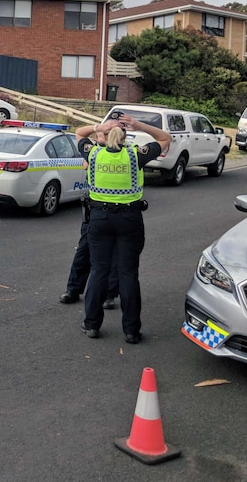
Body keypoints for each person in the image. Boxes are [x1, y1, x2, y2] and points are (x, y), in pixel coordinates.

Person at [75, 113, 170, 343]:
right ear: (125, 137)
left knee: (99, 271)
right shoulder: (135, 155)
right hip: (129, 219)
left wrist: (100, 125)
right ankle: (131, 330)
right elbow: (165, 138)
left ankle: (92, 325)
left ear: (104, 136)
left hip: (99, 218)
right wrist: (139, 124)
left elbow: (79, 133)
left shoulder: (94, 154)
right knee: (128, 273)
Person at [60, 131, 119, 310]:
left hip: (117, 211)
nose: (103, 135)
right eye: (102, 132)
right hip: (95, 211)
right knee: (84, 251)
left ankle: (109, 294)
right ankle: (74, 289)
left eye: (107, 133)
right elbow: (86, 165)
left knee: (113, 255)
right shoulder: (95, 151)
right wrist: (98, 141)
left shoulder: (123, 152)